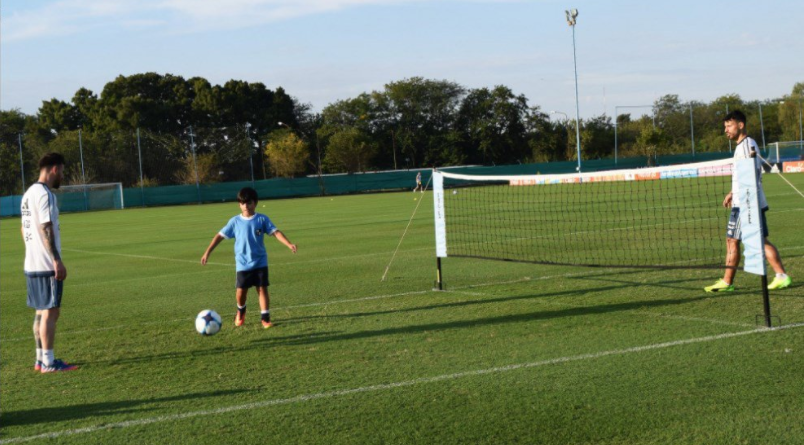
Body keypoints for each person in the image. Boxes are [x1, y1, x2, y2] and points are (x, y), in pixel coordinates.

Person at [704, 110, 791, 292]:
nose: (726, 130)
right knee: (759, 241)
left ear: (740, 125)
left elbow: (751, 177)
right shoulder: (745, 145)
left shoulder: (745, 146)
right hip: (749, 200)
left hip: (746, 203)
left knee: (732, 240)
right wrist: (732, 192)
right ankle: (781, 276)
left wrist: (741, 199)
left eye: (729, 126)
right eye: (725, 126)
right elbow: (747, 176)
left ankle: (727, 282)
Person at [201, 187, 297, 328]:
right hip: (243, 263)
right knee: (241, 291)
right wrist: (207, 252)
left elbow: (275, 232)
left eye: (249, 202)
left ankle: (265, 318)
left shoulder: (262, 219)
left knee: (262, 288)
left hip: (260, 261)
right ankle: (241, 310)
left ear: (255, 203)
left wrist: (288, 244)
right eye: (242, 203)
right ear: (239, 204)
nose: (245, 205)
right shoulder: (234, 221)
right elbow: (219, 236)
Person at [22, 152, 78, 373]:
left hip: (32, 263)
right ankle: (49, 362)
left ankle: (39, 359)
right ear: (54, 168)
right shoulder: (45, 194)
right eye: (62, 171)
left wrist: (33, 250)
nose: (62, 175)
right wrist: (56, 260)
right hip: (46, 265)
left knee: (41, 311)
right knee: (51, 312)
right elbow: (46, 227)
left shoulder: (28, 193)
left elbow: (23, 228)